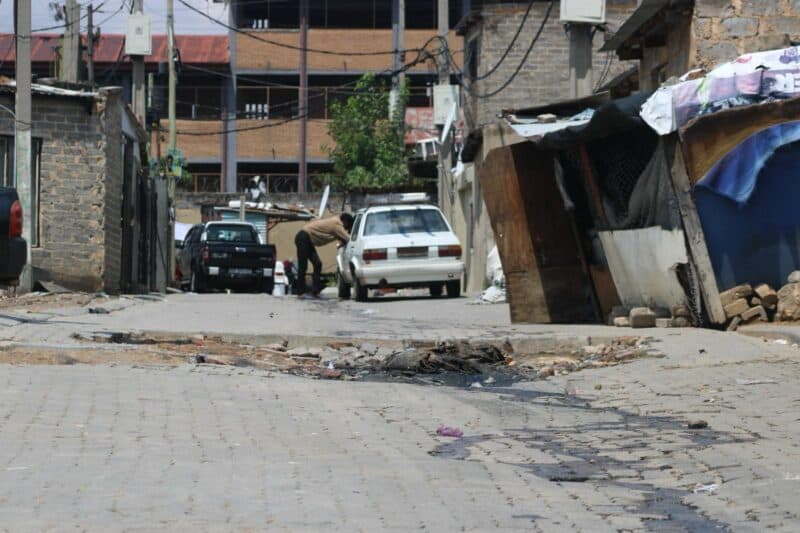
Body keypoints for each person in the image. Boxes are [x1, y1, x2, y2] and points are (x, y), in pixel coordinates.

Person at [295, 213, 354, 298]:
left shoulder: (336, 223)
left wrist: (341, 243)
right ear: (345, 221)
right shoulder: (336, 224)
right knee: (303, 266)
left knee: (317, 264)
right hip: (303, 238)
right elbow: (348, 238)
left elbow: (341, 238)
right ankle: (300, 292)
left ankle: (315, 291)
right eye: (348, 225)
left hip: (307, 240)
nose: (347, 228)